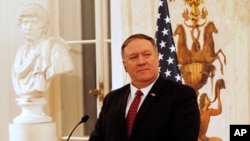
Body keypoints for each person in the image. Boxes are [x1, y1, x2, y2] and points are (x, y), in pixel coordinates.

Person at [89, 33, 200, 141]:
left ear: (158, 59)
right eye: (133, 57)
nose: (141, 62)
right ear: (124, 65)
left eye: (147, 55)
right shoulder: (112, 99)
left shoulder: (182, 95)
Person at [12, 3, 73, 99]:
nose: (28, 27)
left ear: (43, 25)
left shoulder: (56, 49)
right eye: (25, 22)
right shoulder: (21, 52)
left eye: (33, 22)